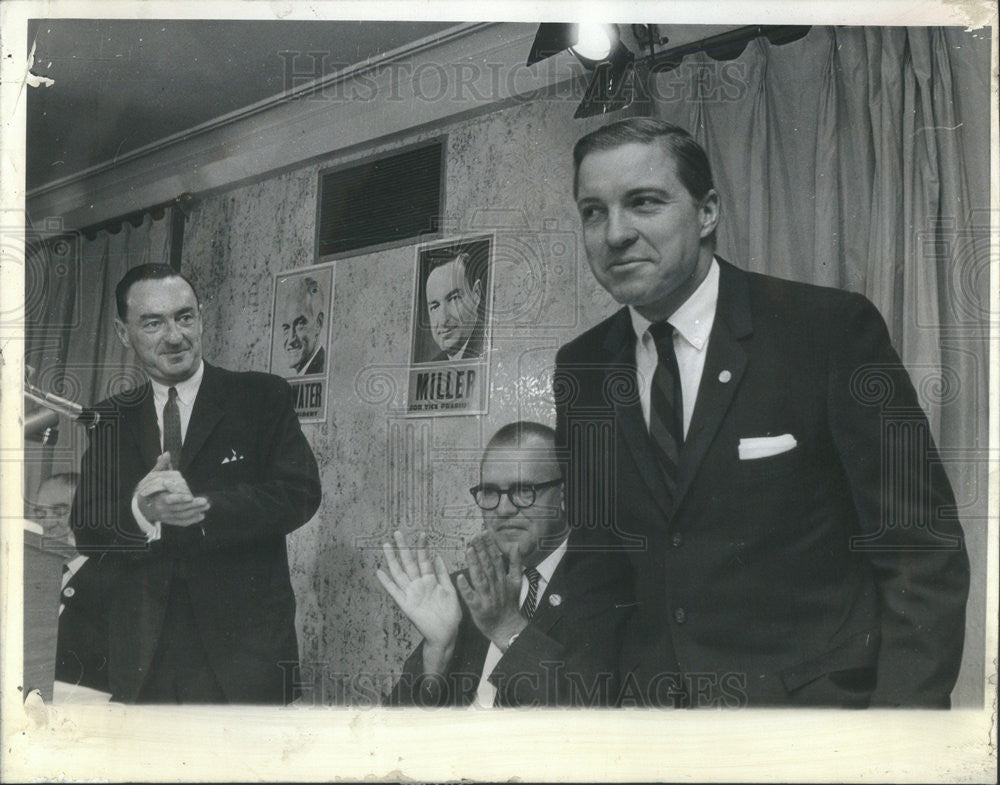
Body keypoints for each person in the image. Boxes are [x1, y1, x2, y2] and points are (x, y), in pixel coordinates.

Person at [555, 118, 970, 708]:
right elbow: (596, 570)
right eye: (593, 211)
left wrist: (897, 746)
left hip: (813, 727)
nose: (615, 233)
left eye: (643, 202)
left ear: (707, 213)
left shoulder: (828, 331)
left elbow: (921, 553)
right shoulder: (583, 368)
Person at [70, 263, 321, 704]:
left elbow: (299, 493)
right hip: (144, 662)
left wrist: (202, 508)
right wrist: (142, 512)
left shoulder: (261, 397)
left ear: (201, 318)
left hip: (244, 658)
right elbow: (88, 525)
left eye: (184, 317)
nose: (174, 336)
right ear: (123, 332)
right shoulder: (108, 418)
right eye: (153, 322)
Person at [380, 422, 631, 707]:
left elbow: (594, 718)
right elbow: (388, 735)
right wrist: (437, 654)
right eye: (489, 492)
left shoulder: (608, 589)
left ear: (566, 494)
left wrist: (508, 628)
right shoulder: (466, 590)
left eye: (524, 490)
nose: (503, 509)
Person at [31, 473, 112, 694]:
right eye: (40, 513)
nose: (46, 523)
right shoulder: (32, 576)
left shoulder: (112, 581)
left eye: (59, 511)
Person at [423, 252, 485, 362]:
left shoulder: (492, 349)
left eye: (453, 299)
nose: (443, 320)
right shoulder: (434, 365)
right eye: (435, 307)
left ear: (476, 294)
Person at [278, 275, 326, 375]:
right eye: (286, 328)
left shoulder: (322, 369)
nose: (291, 339)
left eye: (300, 324)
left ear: (318, 324)